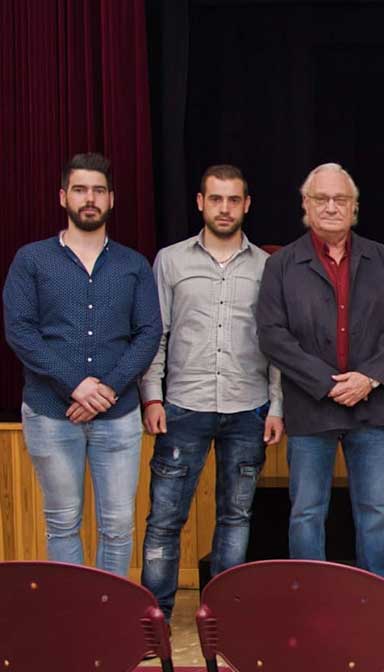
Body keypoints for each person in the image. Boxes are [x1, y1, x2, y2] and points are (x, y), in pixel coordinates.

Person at [3, 152, 161, 575]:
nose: (88, 199)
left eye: (98, 190)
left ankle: (109, 619)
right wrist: (77, 385)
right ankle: (72, 624)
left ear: (111, 199)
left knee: (117, 526)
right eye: (79, 190)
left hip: (119, 416)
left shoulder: (134, 265)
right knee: (62, 524)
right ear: (63, 197)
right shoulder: (31, 260)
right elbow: (20, 330)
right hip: (51, 414)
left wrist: (106, 389)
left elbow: (149, 333)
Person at [138, 164, 285, 619]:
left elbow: (276, 343)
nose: (225, 208)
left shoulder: (268, 267)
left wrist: (276, 406)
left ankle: (224, 618)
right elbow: (155, 333)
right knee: (165, 520)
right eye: (216, 199)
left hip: (248, 409)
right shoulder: (170, 260)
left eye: (233, 199)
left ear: (247, 204)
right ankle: (155, 618)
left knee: (236, 518)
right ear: (201, 203)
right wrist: (152, 395)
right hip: (183, 407)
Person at [256, 162, 384, 580]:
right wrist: (326, 383)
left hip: (372, 405)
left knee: (375, 511)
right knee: (306, 512)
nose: (331, 206)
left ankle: (376, 602)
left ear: (354, 206)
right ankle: (310, 600)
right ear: (306, 204)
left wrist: (368, 378)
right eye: (321, 198)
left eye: (341, 199)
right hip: (310, 406)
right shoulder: (282, 265)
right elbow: (271, 335)